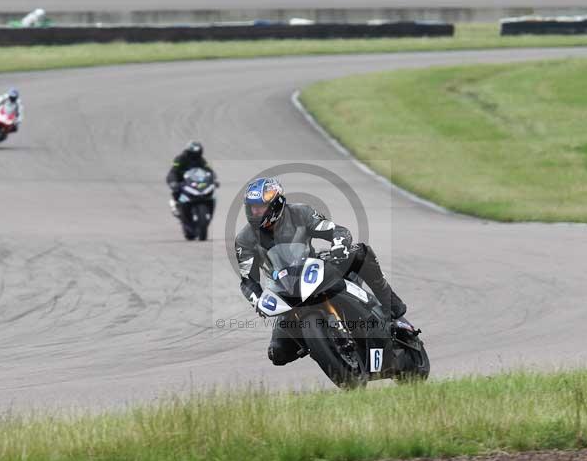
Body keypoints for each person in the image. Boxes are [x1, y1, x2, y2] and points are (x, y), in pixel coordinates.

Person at [234, 176, 407, 366]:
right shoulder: (244, 239)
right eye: (251, 207)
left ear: (276, 204)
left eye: (260, 207)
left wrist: (339, 244)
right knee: (277, 353)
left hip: (314, 270)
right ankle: (323, 346)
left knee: (360, 253)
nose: (255, 212)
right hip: (284, 290)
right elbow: (247, 279)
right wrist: (257, 299)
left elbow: (335, 230)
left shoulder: (301, 212)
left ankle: (392, 308)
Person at [166, 141, 217, 217]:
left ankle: (208, 205)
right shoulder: (180, 159)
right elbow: (173, 171)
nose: (195, 156)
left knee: (211, 192)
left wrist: (212, 179)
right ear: (188, 152)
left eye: (197, 153)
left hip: (196, 181)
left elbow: (208, 170)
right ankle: (175, 205)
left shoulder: (201, 160)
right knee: (176, 191)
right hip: (182, 181)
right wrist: (173, 182)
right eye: (193, 153)